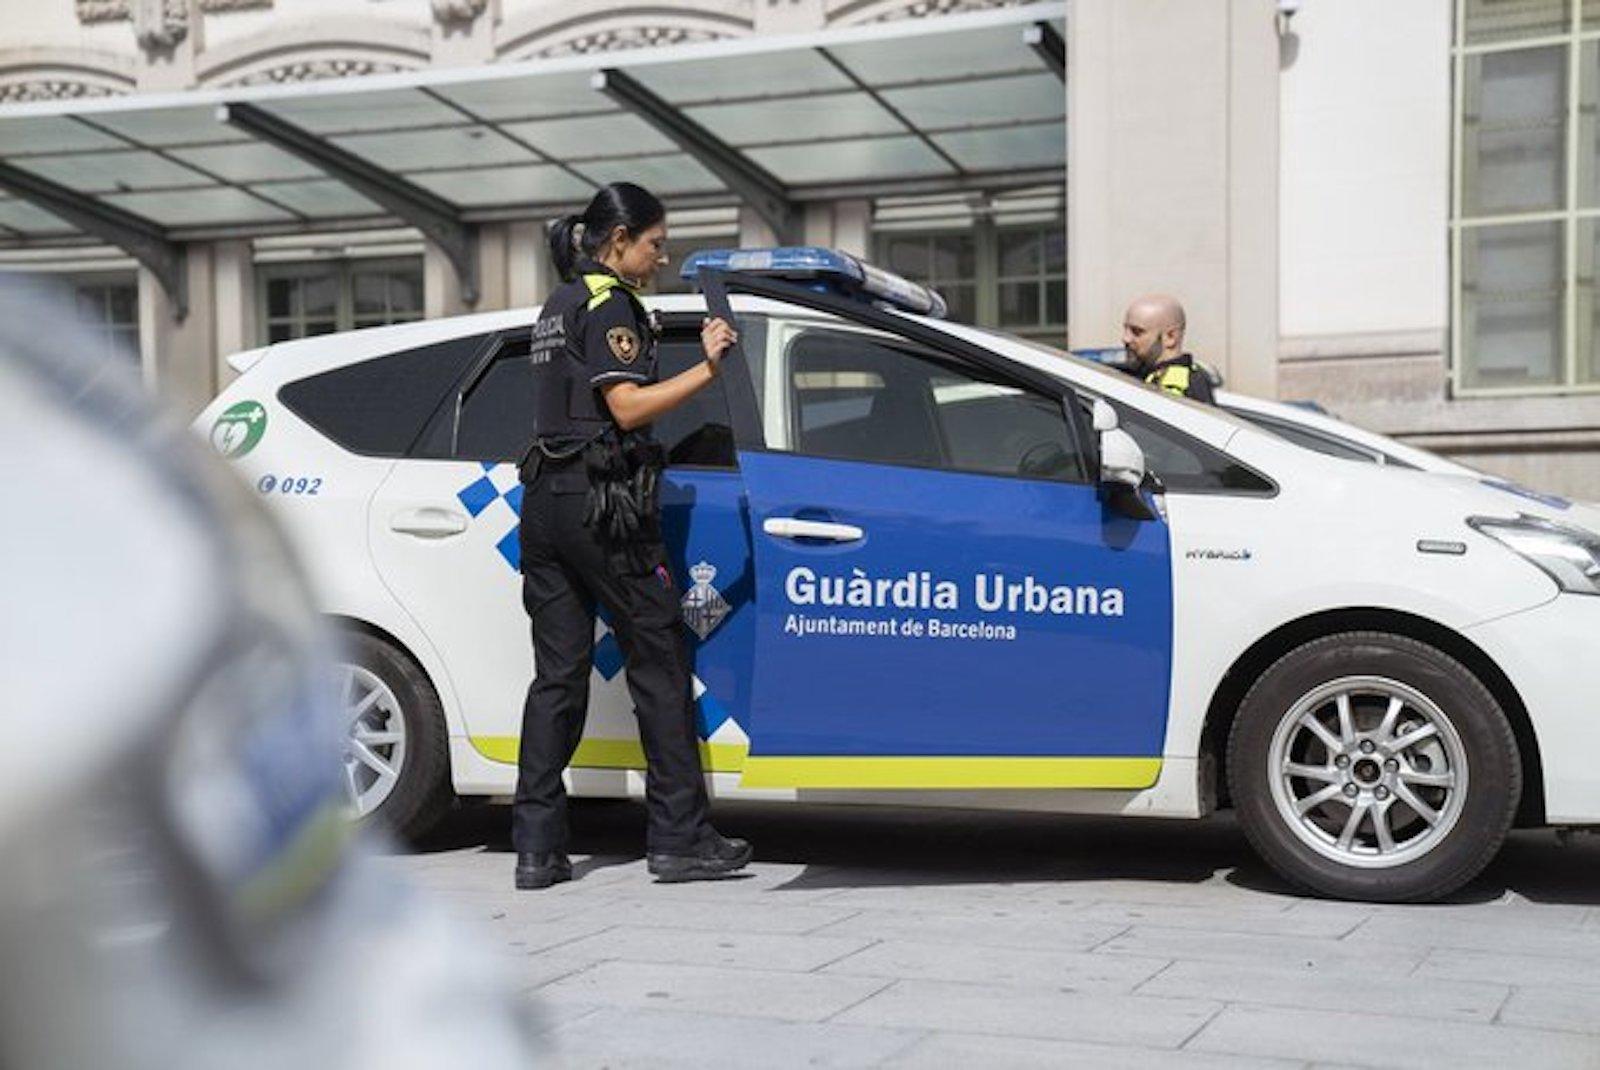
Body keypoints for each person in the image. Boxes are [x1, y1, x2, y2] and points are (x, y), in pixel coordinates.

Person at [512, 182, 750, 889]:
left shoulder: (559, 303)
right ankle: (679, 839)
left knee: (556, 678)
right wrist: (708, 367)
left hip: (544, 505)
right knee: (659, 661)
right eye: (654, 242)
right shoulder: (611, 304)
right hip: (602, 507)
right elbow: (626, 406)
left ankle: (536, 850)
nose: (661, 254)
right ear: (619, 241)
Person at [1119, 294, 1216, 404]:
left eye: (1137, 332)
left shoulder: (1175, 386)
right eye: (1125, 329)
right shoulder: (1149, 373)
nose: (1125, 339)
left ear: (1170, 337)